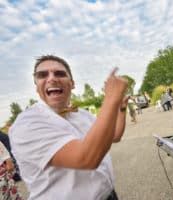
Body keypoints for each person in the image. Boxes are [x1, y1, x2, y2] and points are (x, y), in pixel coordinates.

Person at [9, 55, 129, 199]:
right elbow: (86, 159)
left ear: (72, 84)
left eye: (59, 73)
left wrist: (120, 110)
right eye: (42, 75)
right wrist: (111, 98)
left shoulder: (82, 114)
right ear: (36, 86)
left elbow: (114, 136)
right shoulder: (27, 124)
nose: (52, 78)